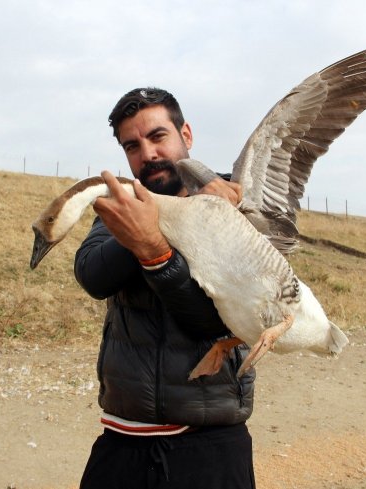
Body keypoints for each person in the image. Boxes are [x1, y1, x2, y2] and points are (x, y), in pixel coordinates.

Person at [74, 88, 256, 489]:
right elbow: (91, 275)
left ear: (186, 134)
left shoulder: (231, 203)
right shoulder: (119, 205)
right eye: (132, 145)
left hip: (210, 444)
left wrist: (157, 247)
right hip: (122, 441)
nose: (148, 154)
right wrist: (142, 224)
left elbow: (213, 323)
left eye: (158, 137)